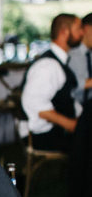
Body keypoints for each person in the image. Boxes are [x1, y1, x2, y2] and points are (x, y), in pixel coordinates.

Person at [19, 13, 83, 154]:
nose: (82, 32)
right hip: (43, 135)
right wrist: (71, 125)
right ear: (64, 31)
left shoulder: (60, 61)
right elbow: (35, 103)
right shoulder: (48, 65)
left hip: (57, 132)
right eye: (79, 28)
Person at [67, 11, 92, 101]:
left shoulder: (89, 54)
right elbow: (75, 83)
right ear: (87, 29)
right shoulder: (70, 54)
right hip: (74, 105)